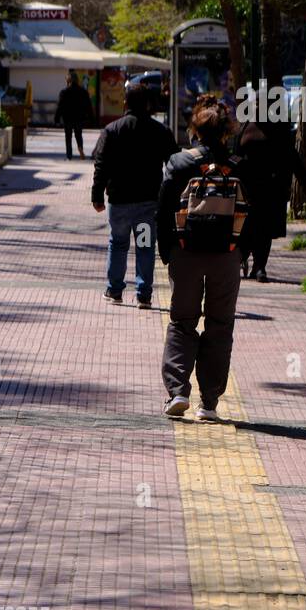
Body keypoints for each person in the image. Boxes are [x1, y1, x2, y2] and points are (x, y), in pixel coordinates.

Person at [157, 94, 252, 422]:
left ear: (194, 130)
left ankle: (178, 391)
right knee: (220, 324)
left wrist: (167, 250)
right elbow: (253, 213)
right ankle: (209, 403)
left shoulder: (179, 163)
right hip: (227, 255)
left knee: (182, 321)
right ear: (227, 131)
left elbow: (164, 210)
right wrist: (243, 252)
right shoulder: (239, 166)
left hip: (186, 252)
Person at [91, 76, 178, 307]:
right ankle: (144, 294)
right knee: (145, 246)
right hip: (148, 201)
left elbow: (101, 165)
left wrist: (97, 196)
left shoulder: (112, 130)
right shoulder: (160, 131)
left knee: (118, 243)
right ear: (147, 104)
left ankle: (115, 290)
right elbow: (175, 163)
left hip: (119, 200)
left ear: (125, 103)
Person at [236, 110, 306, 281]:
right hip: (251, 189)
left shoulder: (276, 129)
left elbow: (291, 155)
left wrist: (304, 178)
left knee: (262, 229)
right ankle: (249, 262)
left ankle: (259, 266)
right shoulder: (246, 127)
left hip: (269, 189)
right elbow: (236, 154)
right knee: (252, 229)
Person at [55, 73, 94, 160]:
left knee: (68, 136)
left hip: (67, 118)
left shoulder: (64, 92)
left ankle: (69, 155)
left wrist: (57, 119)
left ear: (68, 81)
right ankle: (80, 148)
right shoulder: (83, 92)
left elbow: (60, 106)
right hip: (79, 117)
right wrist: (91, 118)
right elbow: (88, 106)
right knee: (78, 134)